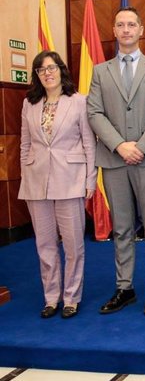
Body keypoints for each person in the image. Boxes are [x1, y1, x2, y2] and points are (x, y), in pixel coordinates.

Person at [87, 6, 145, 315]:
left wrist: (142, 146)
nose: (125, 29)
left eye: (131, 24)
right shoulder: (100, 71)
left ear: (141, 29)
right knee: (121, 228)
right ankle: (125, 288)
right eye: (120, 24)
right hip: (114, 159)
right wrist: (120, 145)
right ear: (114, 30)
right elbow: (94, 112)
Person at [18, 51, 96, 319]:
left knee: (74, 245)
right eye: (41, 70)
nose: (47, 73)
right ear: (37, 75)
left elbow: (88, 143)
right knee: (45, 244)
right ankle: (51, 297)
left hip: (70, 179)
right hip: (36, 181)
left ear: (61, 70)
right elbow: (25, 143)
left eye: (51, 68)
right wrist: (25, 175)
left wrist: (90, 180)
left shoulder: (78, 102)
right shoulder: (29, 103)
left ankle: (71, 297)